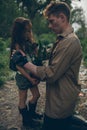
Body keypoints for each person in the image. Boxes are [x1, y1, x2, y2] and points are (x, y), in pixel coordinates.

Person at [11, 2, 87, 130]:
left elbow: (50, 74)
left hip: (60, 102)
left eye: (52, 21)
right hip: (59, 98)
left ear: (62, 17)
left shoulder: (69, 42)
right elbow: (53, 59)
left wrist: (25, 62)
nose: (50, 26)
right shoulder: (63, 39)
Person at [9, 17, 43, 128]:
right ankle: (26, 120)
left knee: (36, 95)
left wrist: (35, 49)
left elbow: (34, 58)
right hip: (23, 76)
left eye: (30, 30)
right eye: (27, 31)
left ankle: (31, 114)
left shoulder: (28, 43)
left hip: (31, 73)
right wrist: (29, 78)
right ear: (20, 32)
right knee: (22, 99)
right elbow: (19, 66)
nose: (29, 33)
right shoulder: (17, 46)